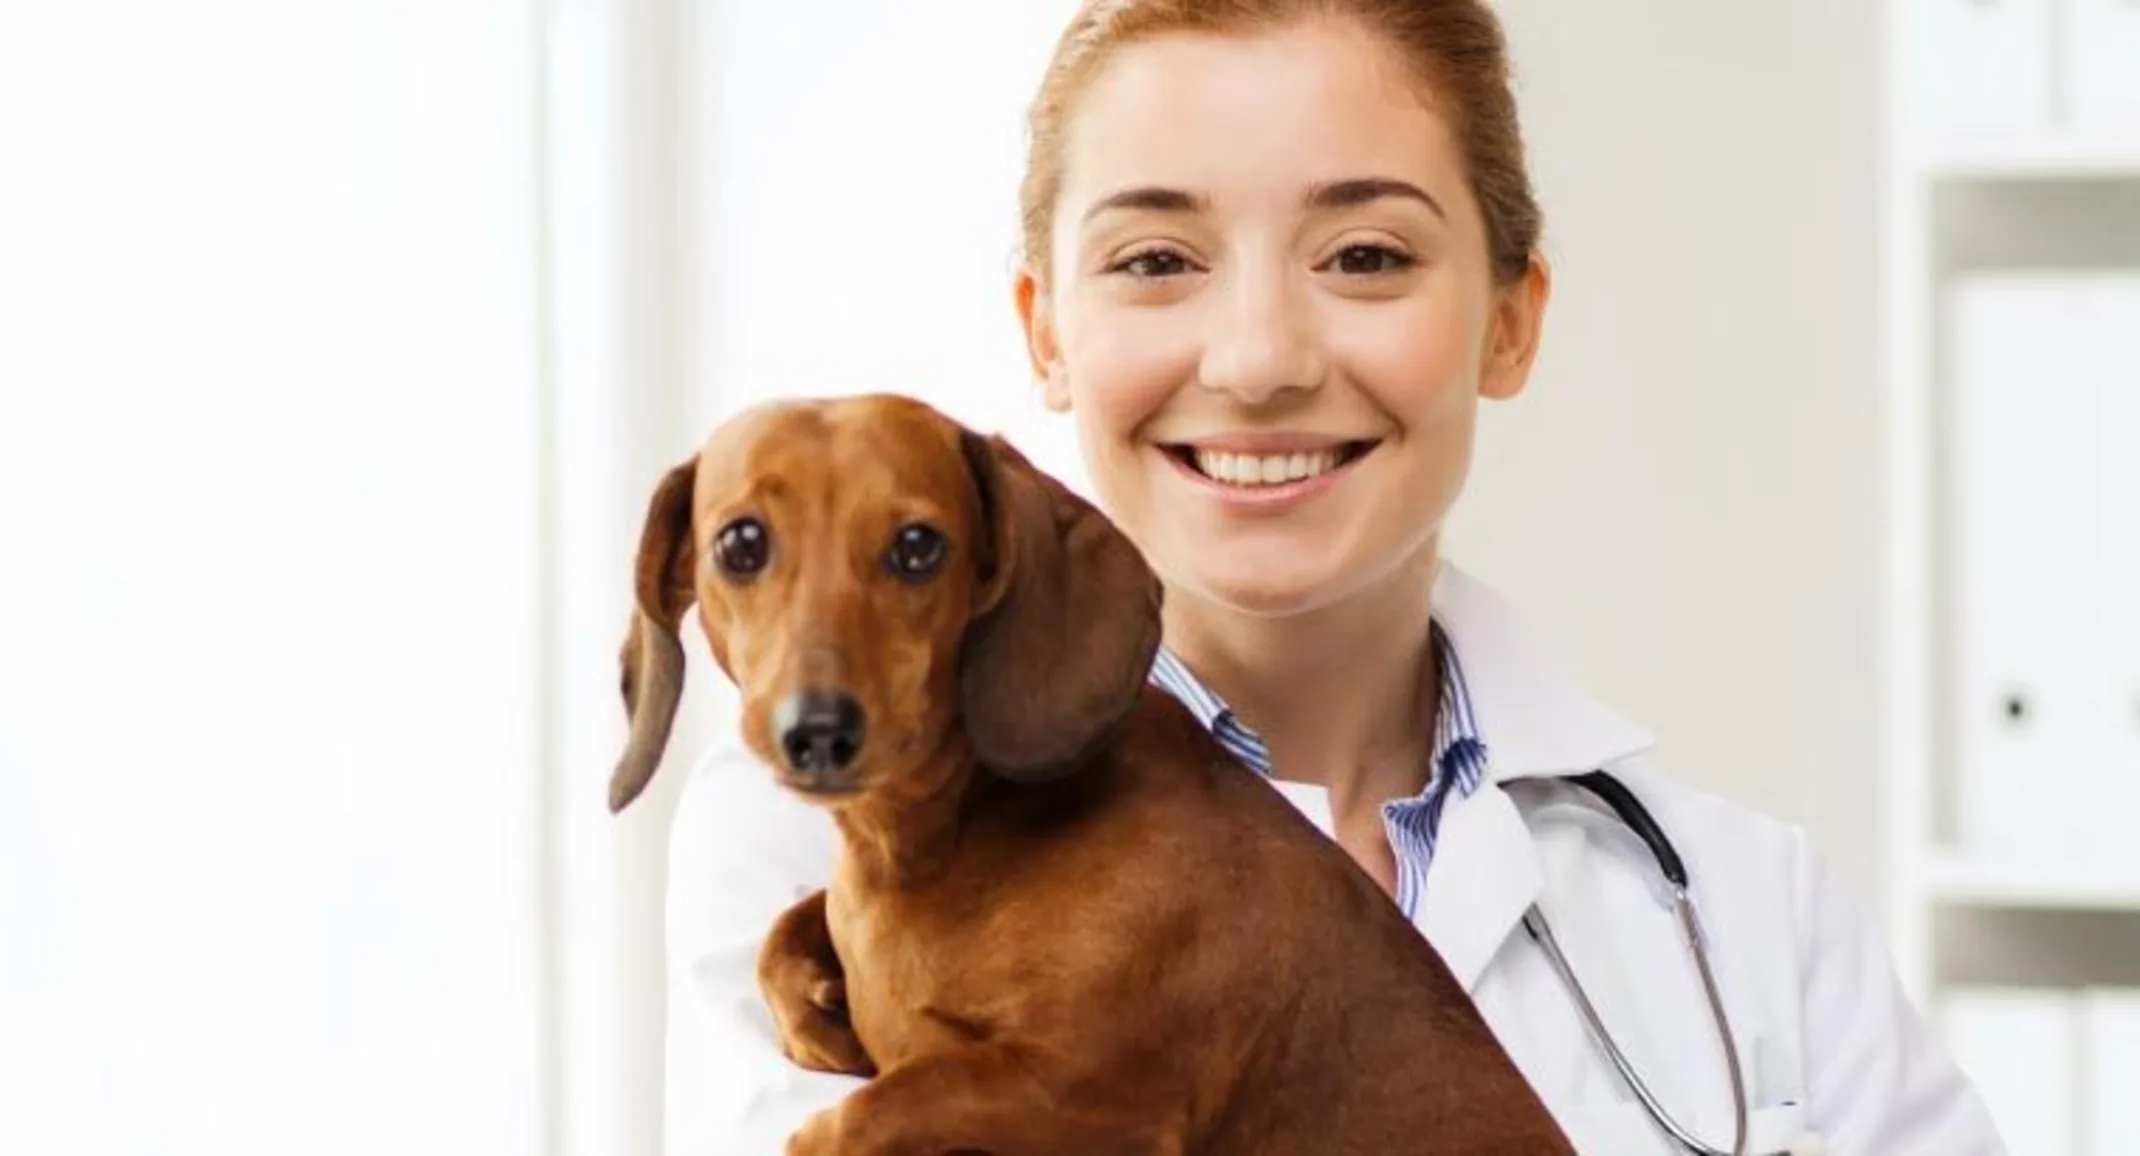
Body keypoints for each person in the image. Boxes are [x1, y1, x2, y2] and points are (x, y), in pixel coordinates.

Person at [660, 1, 2007, 1152]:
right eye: (1155, 261)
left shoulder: (1741, 912)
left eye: (1365, 255)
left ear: (1510, 320)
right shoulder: (812, 839)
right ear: (1048, 332)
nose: (1258, 359)